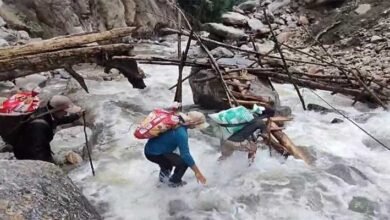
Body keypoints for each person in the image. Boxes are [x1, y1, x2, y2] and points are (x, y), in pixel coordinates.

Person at [7, 95, 84, 163]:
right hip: (26, 156)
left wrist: (77, 115)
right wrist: (49, 165)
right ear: (58, 110)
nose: (66, 114)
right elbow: (38, 151)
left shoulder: (45, 112)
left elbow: (59, 120)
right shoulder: (39, 126)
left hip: (26, 147)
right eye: (65, 112)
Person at [144, 111, 208, 187]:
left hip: (149, 149)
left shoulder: (175, 121)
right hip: (155, 154)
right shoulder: (181, 134)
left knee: (167, 164)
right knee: (183, 163)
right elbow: (185, 155)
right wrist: (197, 172)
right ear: (193, 123)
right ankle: (174, 183)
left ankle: (161, 183)